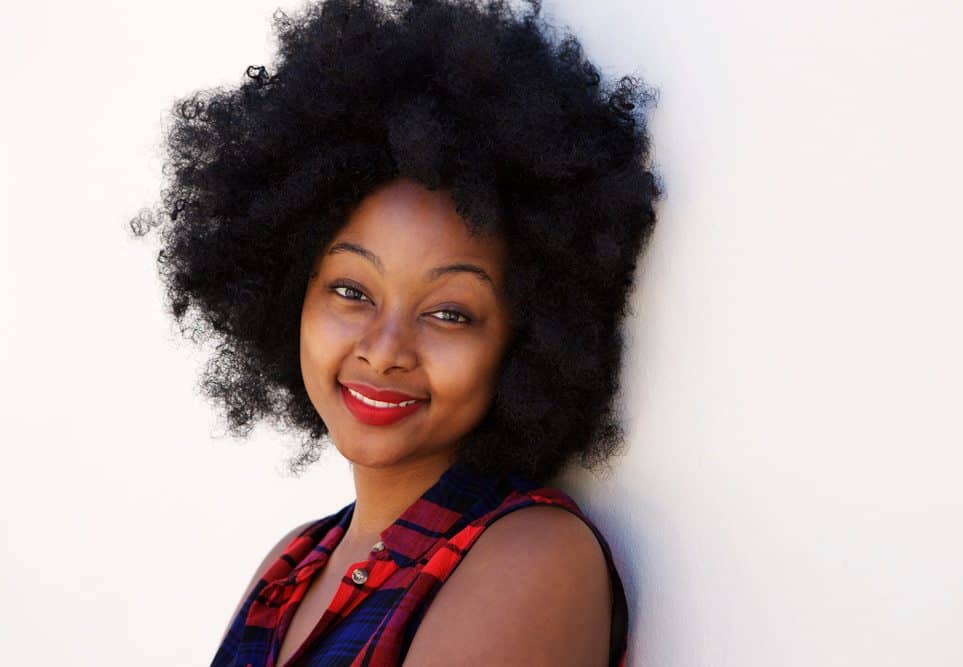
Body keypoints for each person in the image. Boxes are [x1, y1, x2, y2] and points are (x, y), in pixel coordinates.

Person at [131, 0, 662, 664]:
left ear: (526, 339)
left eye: (450, 313)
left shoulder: (532, 557)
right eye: (351, 292)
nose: (384, 351)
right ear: (289, 290)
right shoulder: (290, 567)